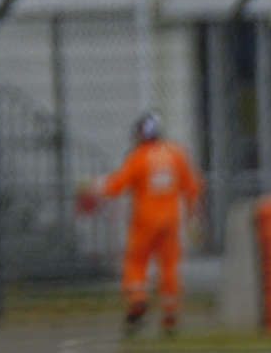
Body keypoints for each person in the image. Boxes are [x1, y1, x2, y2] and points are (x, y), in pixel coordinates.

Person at [82, 112, 203, 336]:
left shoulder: (139, 157)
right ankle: (169, 314)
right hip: (170, 221)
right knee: (169, 268)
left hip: (144, 222)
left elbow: (117, 184)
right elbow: (192, 186)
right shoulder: (176, 154)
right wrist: (194, 215)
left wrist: (94, 186)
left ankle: (137, 300)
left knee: (136, 263)